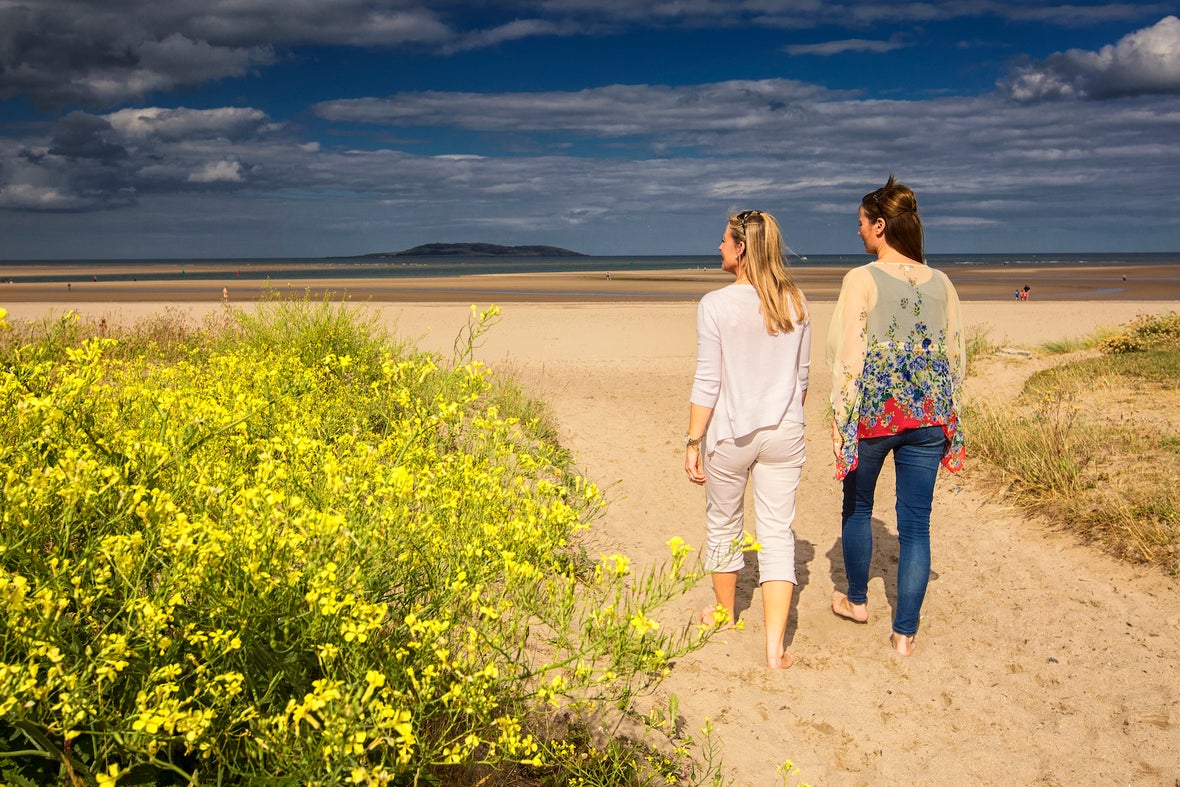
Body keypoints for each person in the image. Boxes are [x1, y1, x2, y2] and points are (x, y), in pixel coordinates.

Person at [827, 176, 965, 656]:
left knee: (859, 508)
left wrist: (841, 415)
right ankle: (904, 634)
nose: (858, 233)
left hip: (874, 418)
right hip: (928, 417)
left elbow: (848, 355)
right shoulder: (942, 282)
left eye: (861, 224)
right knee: (916, 525)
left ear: (880, 226)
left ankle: (858, 601)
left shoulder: (861, 278)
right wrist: (951, 419)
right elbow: (954, 357)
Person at [685, 209, 811, 670]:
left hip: (731, 434)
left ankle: (724, 613)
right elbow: (801, 380)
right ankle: (775, 647)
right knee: (777, 532)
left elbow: (708, 381)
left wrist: (691, 440)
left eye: (723, 241)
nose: (718, 247)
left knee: (724, 524)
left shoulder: (715, 304)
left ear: (741, 249)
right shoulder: (795, 300)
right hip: (785, 431)